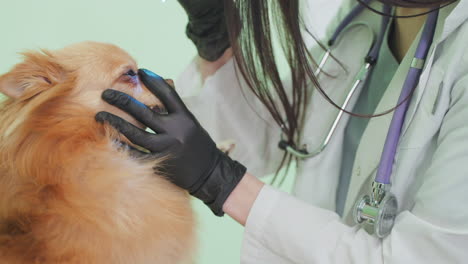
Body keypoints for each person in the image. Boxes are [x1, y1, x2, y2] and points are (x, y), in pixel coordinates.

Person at [95, 0, 468, 262]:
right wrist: (216, 40)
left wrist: (224, 182)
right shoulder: (362, 15)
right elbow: (270, 135)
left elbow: (425, 257)